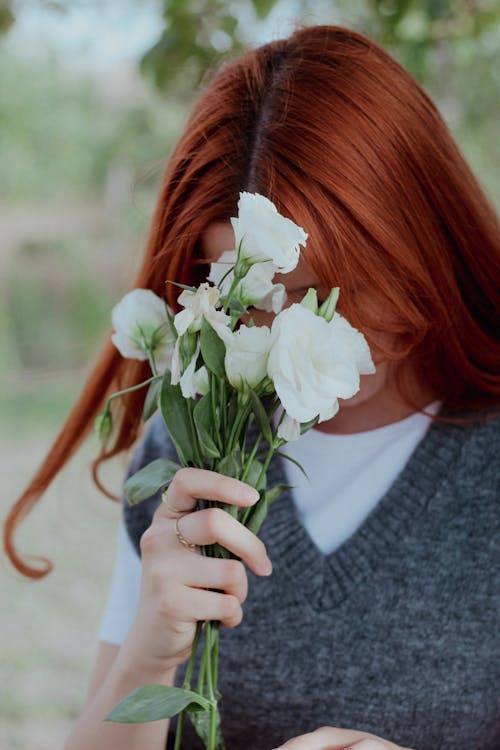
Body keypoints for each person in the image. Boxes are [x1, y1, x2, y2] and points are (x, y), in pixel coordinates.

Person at [4, 23, 500, 750]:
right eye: (266, 298)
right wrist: (149, 654)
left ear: (427, 228)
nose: (317, 327)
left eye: (351, 280)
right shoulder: (192, 454)